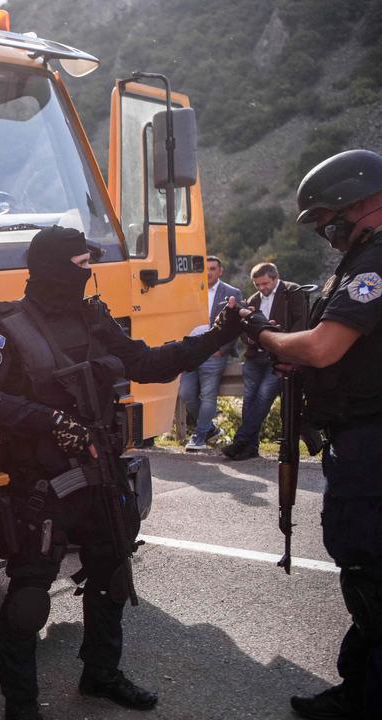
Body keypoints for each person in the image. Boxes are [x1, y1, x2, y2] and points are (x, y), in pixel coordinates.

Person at [0, 226, 242, 720]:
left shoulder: (94, 318)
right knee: (28, 600)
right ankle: (21, 706)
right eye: (80, 264)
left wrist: (223, 330)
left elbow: (149, 363)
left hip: (101, 475)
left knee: (111, 577)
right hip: (42, 484)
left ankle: (101, 675)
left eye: (89, 264)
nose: (87, 274)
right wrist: (50, 420)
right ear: (50, 266)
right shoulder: (5, 324)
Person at [238, 149, 382, 719]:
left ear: (363, 200)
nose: (326, 230)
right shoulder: (359, 259)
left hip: (372, 438)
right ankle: (359, 688)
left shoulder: (374, 261)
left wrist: (268, 338)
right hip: (362, 431)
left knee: (367, 566)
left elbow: (324, 344)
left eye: (329, 217)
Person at [222, 262, 311, 460]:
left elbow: (302, 322)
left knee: (263, 397)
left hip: (280, 356)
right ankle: (249, 447)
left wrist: (281, 341)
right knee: (249, 400)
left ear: (275, 278)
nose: (262, 288)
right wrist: (251, 337)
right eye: (258, 285)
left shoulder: (292, 292)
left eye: (265, 284)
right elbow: (243, 327)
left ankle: (240, 440)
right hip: (256, 355)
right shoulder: (254, 299)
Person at [178, 255, 242, 451]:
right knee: (186, 393)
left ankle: (199, 436)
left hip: (214, 353)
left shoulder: (232, 292)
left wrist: (221, 350)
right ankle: (210, 429)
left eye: (213, 268)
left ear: (220, 271)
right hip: (190, 351)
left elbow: (236, 323)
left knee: (207, 395)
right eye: (205, 268)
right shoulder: (188, 290)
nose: (209, 272)